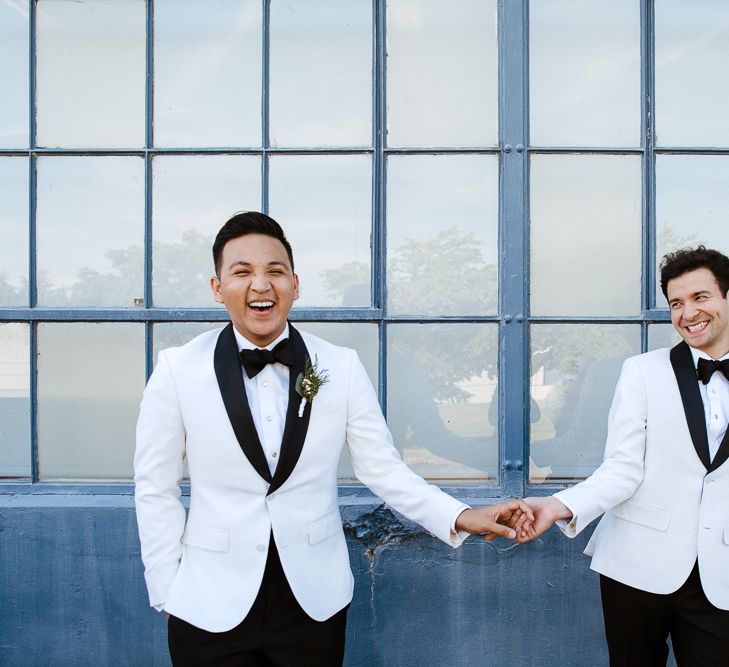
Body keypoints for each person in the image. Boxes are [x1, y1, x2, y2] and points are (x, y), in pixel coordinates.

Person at [134, 211, 531, 666]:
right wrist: (167, 594)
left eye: (275, 272)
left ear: (296, 285)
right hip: (207, 605)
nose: (260, 286)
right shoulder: (176, 369)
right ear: (217, 287)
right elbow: (154, 488)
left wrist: (461, 516)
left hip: (313, 603)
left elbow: (381, 467)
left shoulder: (339, 366)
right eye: (242, 272)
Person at [518, 246, 729, 666]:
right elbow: (621, 468)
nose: (688, 313)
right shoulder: (642, 372)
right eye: (676, 303)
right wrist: (560, 505)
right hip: (636, 565)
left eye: (700, 298)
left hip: (720, 572)